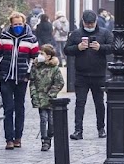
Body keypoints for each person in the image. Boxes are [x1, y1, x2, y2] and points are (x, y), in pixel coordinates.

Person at [0, 11, 39, 149]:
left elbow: (34, 59)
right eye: (15, 24)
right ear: (11, 24)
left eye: (20, 24)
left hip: (22, 78)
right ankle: (9, 139)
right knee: (8, 108)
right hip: (5, 77)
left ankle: (18, 137)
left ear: (24, 23)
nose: (18, 26)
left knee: (20, 108)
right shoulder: (4, 37)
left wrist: (28, 74)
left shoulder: (31, 39)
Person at [64, 10, 113, 140]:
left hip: (98, 74)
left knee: (99, 103)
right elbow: (66, 50)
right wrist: (77, 48)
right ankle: (78, 130)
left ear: (96, 22)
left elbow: (113, 47)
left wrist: (101, 47)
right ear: (83, 22)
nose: (90, 26)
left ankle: (101, 128)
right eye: (87, 24)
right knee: (80, 103)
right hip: (81, 74)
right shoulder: (76, 34)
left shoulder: (104, 33)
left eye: (92, 24)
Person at [29, 44, 64, 151]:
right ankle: (45, 140)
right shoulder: (36, 67)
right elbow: (32, 82)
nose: (39, 55)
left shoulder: (54, 68)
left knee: (51, 119)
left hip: (50, 99)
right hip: (40, 97)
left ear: (48, 56)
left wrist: (51, 94)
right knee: (43, 119)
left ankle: (50, 134)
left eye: (42, 54)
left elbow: (59, 82)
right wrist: (34, 94)